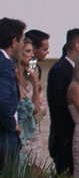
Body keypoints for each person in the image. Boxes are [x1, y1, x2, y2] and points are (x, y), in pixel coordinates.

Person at [47, 28, 79, 176]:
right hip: (67, 139)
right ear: (78, 46)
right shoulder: (59, 70)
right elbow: (57, 107)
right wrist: (64, 138)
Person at [16, 37, 47, 166]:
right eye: (28, 51)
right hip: (23, 134)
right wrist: (35, 80)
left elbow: (41, 113)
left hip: (35, 134)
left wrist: (34, 80)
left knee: (37, 173)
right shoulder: (14, 80)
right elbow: (34, 108)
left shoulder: (30, 79)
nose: (32, 55)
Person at [0, 18, 25, 171]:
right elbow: (3, 98)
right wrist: (12, 125)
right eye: (22, 41)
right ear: (14, 41)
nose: (23, 46)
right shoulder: (5, 63)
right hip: (4, 133)